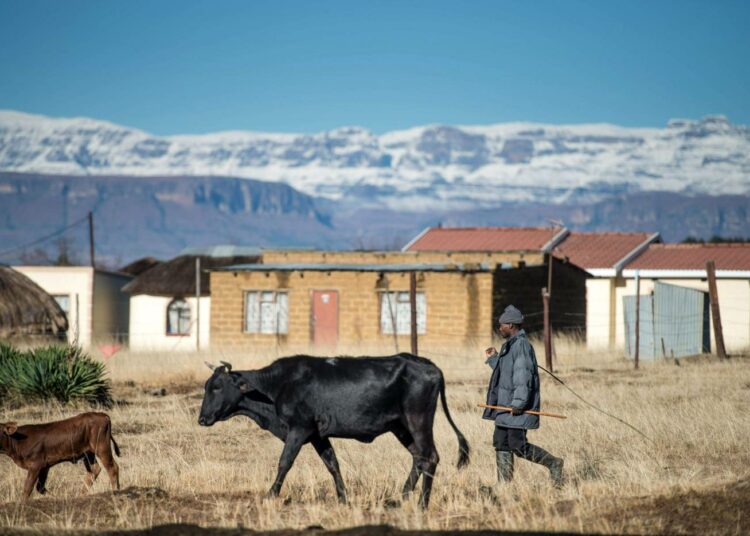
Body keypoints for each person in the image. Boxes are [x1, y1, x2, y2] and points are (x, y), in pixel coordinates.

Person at [482, 304, 564, 488]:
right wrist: (494, 359)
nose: (499, 328)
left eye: (501, 325)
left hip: (515, 408)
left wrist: (519, 403)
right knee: (501, 443)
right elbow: (506, 373)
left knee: (517, 446)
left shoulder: (521, 346)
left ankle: (554, 463)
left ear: (510, 325)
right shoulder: (510, 346)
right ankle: (504, 486)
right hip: (505, 407)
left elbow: (523, 377)